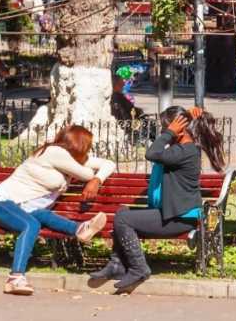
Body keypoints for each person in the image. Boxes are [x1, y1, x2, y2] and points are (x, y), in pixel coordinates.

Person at [90, 106, 224, 294]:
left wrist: (170, 132)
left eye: (165, 127)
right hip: (171, 215)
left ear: (179, 129)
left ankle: (139, 268)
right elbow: (157, 153)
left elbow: (151, 153)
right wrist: (185, 118)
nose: (162, 132)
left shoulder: (185, 151)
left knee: (123, 219)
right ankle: (117, 265)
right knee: (123, 212)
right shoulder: (179, 150)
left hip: (180, 218)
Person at [0, 125, 113, 295]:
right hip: (3, 203)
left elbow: (109, 164)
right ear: (80, 145)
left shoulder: (71, 158)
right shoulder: (54, 152)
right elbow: (86, 175)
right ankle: (15, 279)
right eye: (87, 146)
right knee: (31, 224)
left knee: (43, 215)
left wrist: (98, 179)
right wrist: (92, 177)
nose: (89, 150)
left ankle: (80, 229)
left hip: (27, 207)